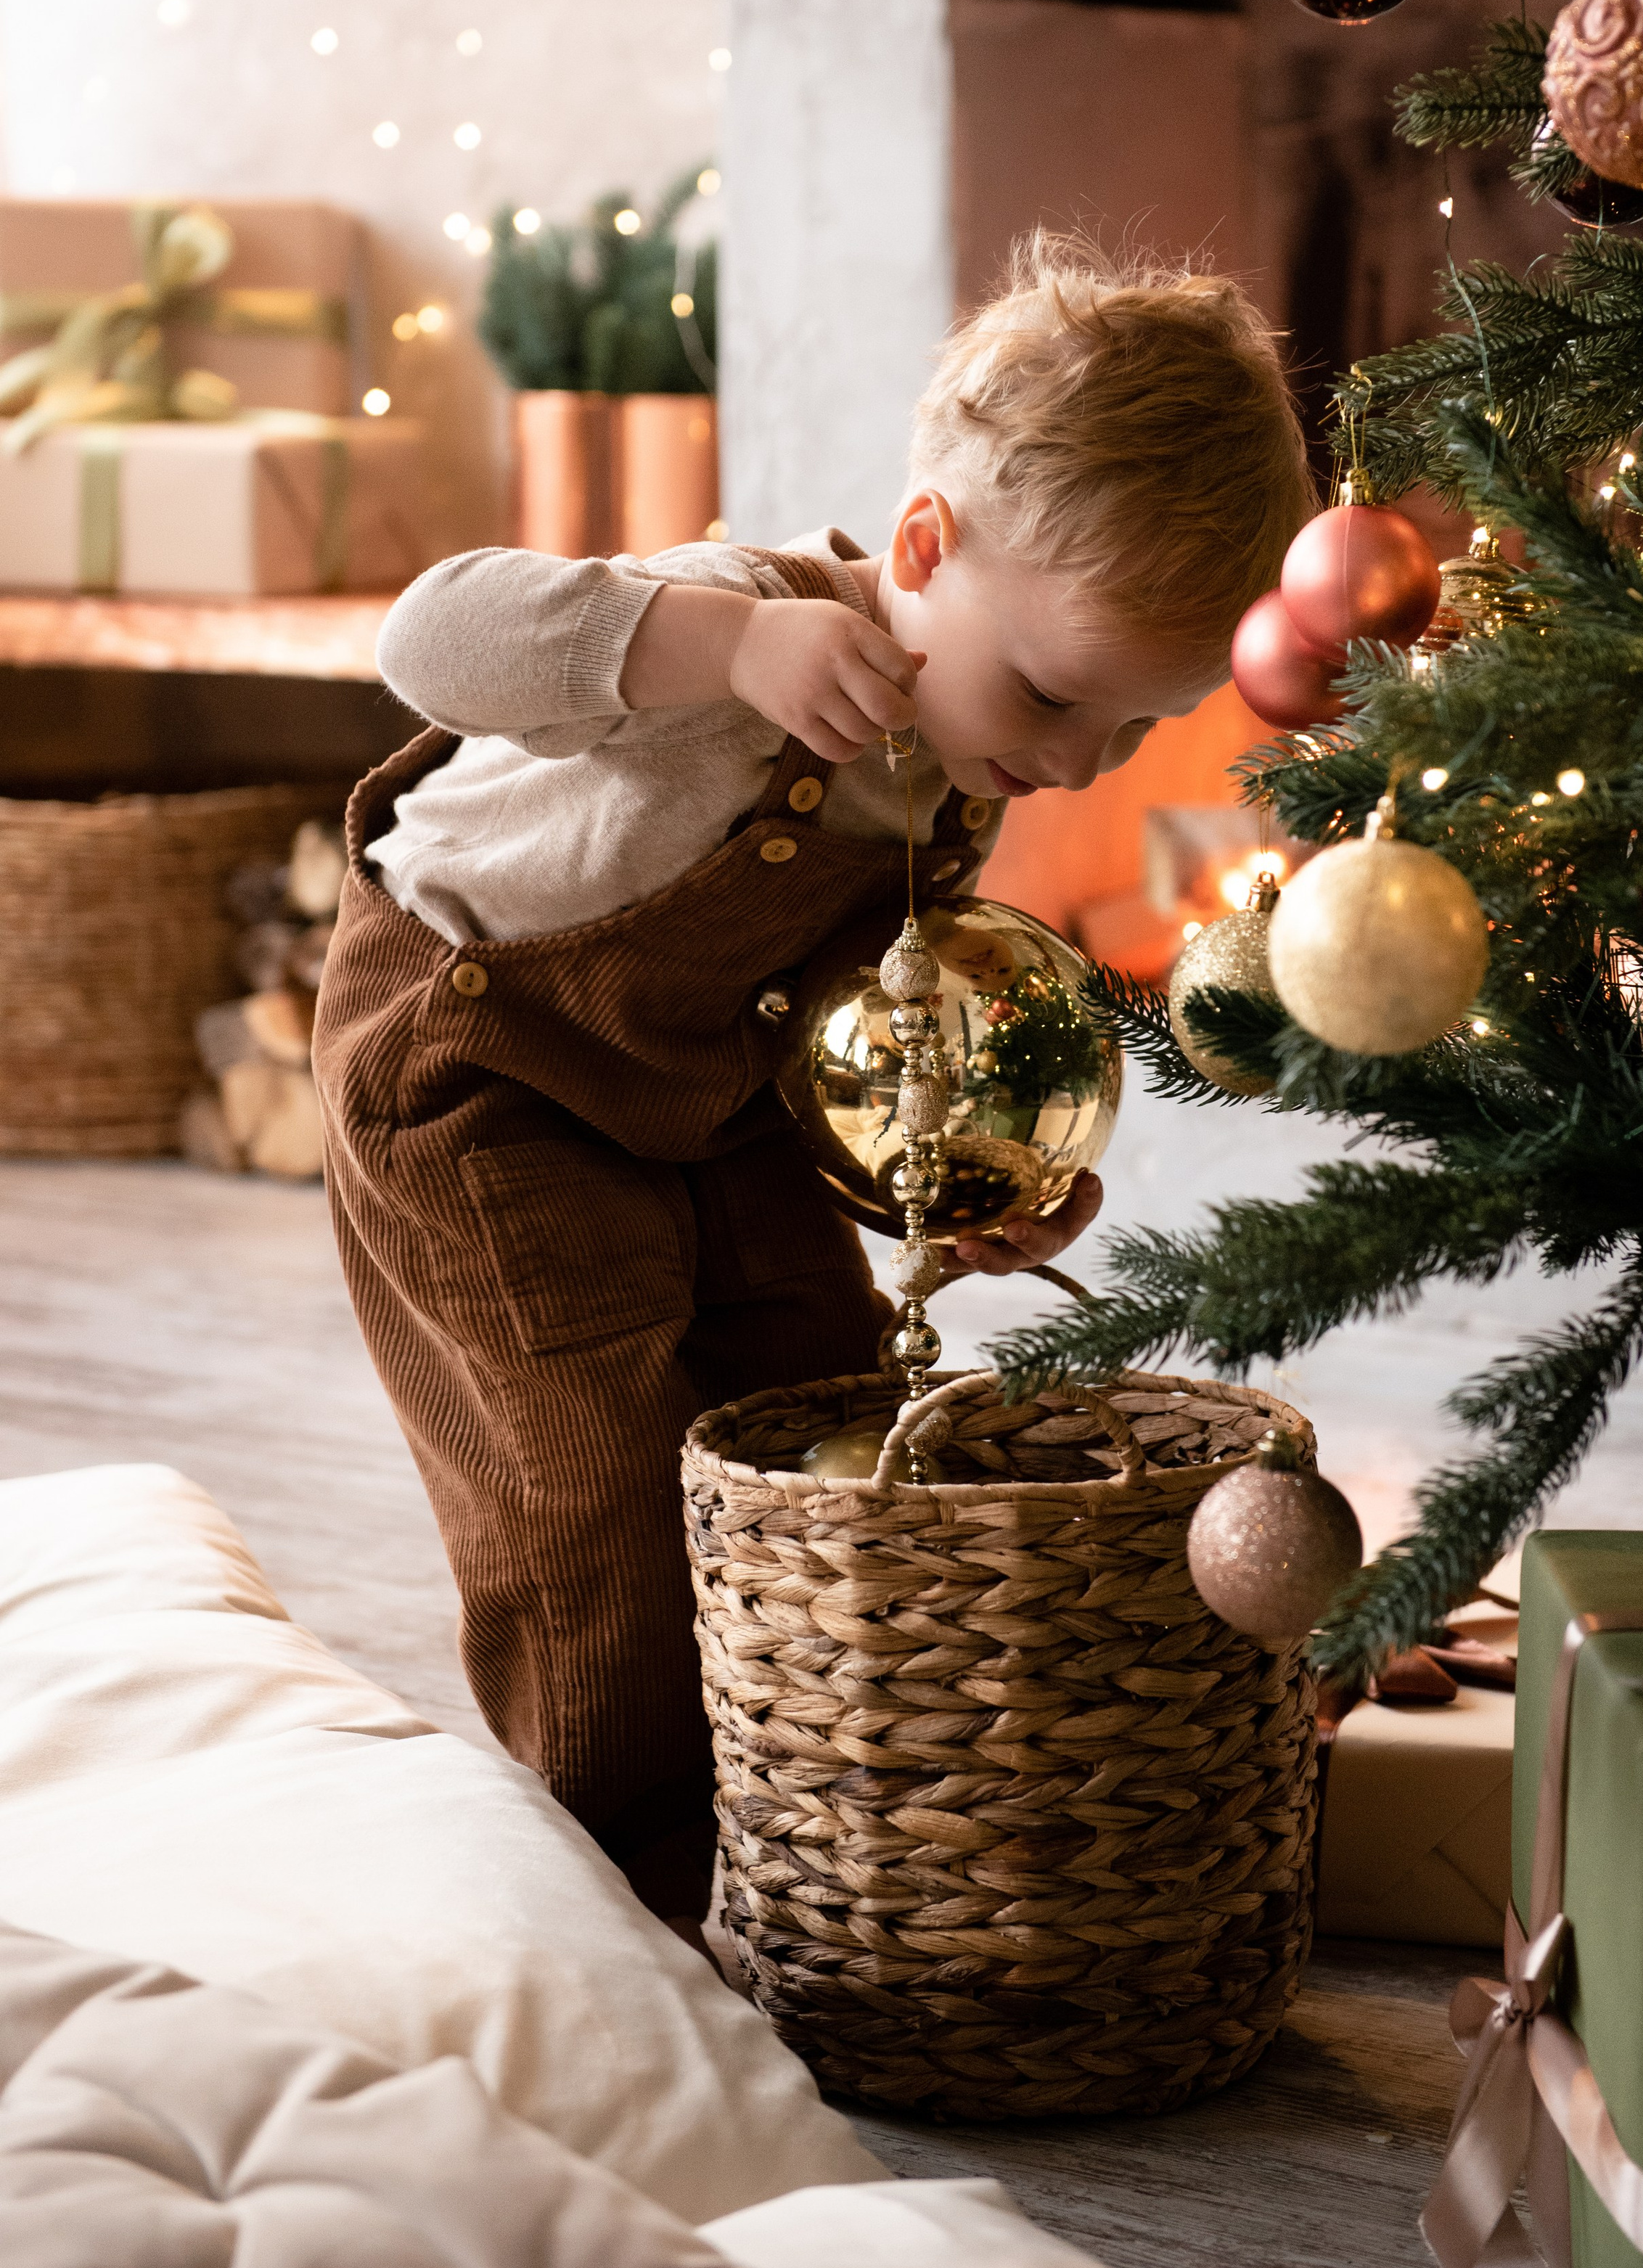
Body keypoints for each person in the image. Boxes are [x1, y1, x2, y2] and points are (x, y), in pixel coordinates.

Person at [312, 234, 1314, 1911]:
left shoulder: (964, 766)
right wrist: (701, 641)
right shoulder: (740, 625)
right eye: (1059, 695)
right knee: (592, 1470)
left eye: (1131, 732)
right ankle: (612, 1877)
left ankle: (804, 1778)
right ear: (926, 547)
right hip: (480, 1074)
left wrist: (968, 1173)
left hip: (704, 1091)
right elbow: (429, 637)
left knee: (824, 1396)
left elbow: (855, 1005)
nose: (1073, 762)